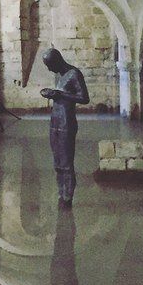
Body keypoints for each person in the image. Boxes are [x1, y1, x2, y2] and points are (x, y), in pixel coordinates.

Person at [40, 48, 90, 205]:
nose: (49, 69)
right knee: (57, 163)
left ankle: (68, 197)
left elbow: (84, 98)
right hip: (55, 121)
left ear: (57, 61)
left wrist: (59, 94)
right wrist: (52, 93)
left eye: (50, 65)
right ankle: (61, 193)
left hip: (67, 122)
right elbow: (59, 94)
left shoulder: (74, 74)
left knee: (67, 163)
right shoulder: (58, 75)